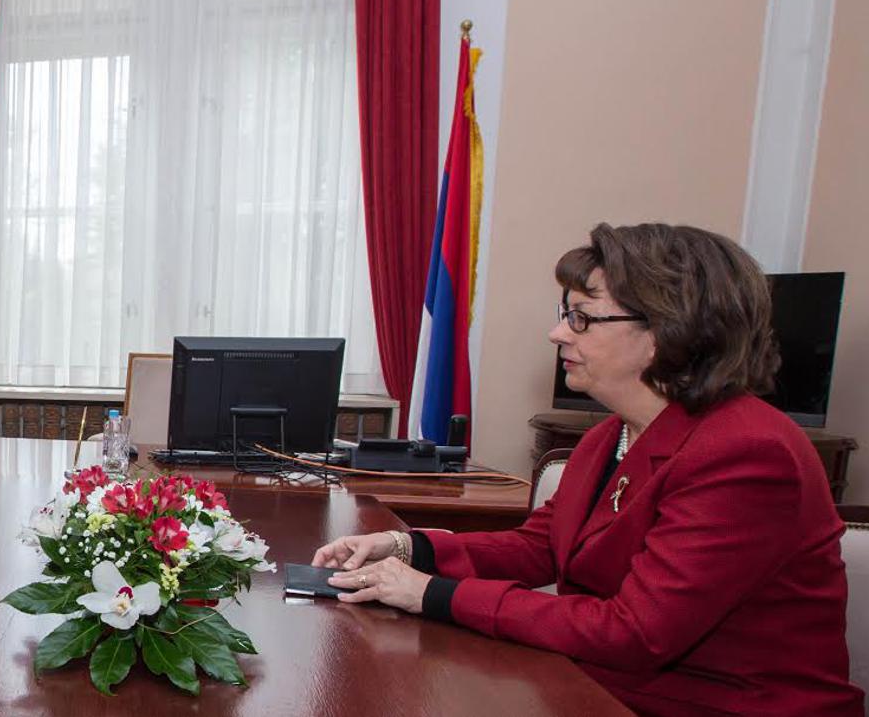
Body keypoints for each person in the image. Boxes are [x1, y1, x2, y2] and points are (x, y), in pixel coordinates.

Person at [312, 222, 863, 716]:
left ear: (665, 331)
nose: (558, 334)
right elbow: (542, 547)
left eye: (582, 318)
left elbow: (636, 631)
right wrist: (408, 548)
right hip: (604, 688)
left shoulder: (746, 452)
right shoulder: (610, 435)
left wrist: (431, 594)